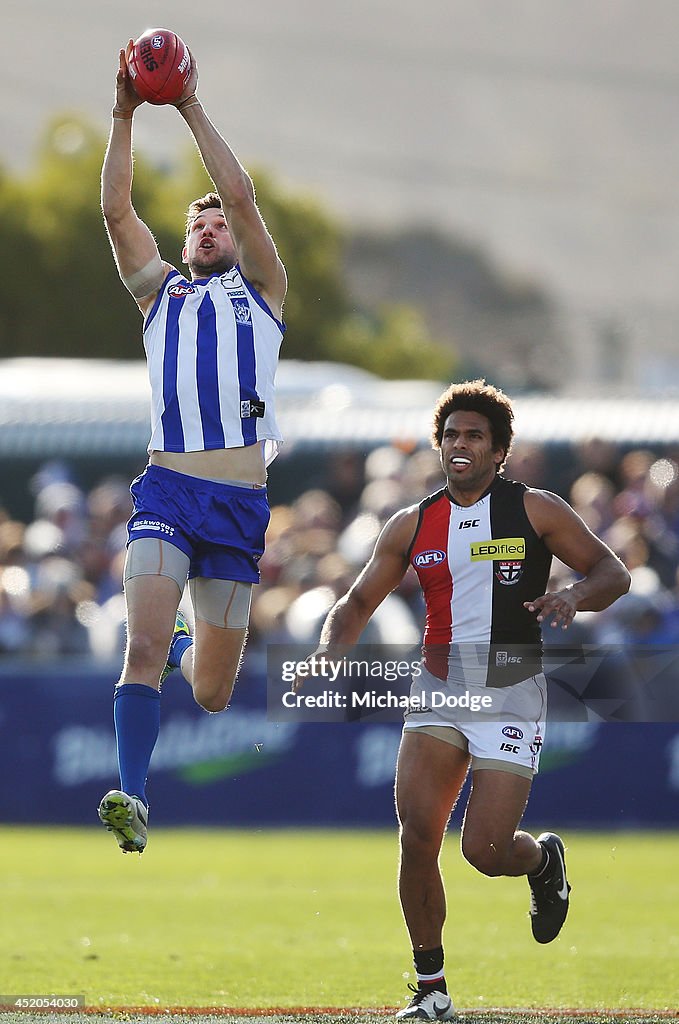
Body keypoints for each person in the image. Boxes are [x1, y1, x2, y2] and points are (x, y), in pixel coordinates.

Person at [307, 381, 630, 1020]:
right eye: (452, 434)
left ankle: (542, 859)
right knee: (417, 837)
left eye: (474, 435)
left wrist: (571, 597)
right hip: (437, 689)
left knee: (484, 851)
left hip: (511, 690)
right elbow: (356, 602)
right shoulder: (412, 522)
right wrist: (328, 651)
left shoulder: (537, 510)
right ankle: (432, 991)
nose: (460, 444)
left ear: (499, 450)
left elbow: (611, 574)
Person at [97, 39, 287, 854]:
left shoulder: (264, 294)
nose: (211, 229)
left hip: (238, 508)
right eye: (198, 224)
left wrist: (188, 104)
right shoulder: (160, 298)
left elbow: (241, 193)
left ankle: (187, 647)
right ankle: (132, 799)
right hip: (168, 491)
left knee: (210, 692)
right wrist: (122, 112)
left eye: (219, 224)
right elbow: (114, 213)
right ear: (183, 246)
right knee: (138, 646)